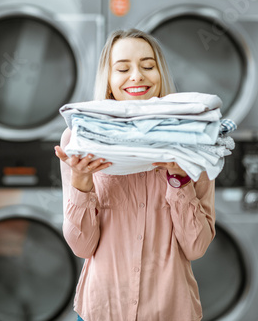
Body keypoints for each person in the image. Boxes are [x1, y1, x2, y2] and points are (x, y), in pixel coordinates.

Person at [54, 28, 215, 321]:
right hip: (102, 309)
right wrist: (81, 182)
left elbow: (196, 246)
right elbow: (82, 245)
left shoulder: (193, 140)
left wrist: (180, 180)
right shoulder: (80, 140)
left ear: (160, 73)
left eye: (148, 66)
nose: (137, 76)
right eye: (123, 68)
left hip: (169, 310)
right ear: (109, 80)